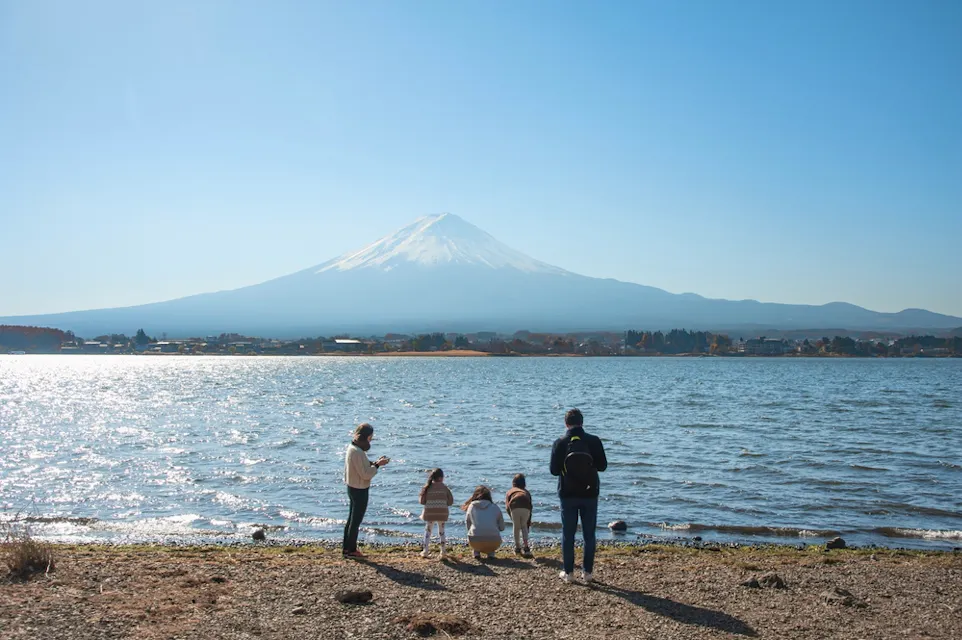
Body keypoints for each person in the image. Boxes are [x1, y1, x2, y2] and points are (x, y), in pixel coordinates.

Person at [549, 408, 607, 583]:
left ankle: (569, 573)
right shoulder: (594, 441)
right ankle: (587, 573)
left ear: (566, 423)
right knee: (589, 534)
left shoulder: (560, 442)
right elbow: (603, 466)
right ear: (582, 422)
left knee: (568, 534)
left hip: (568, 494)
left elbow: (553, 471)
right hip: (590, 493)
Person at [342, 423, 389, 558]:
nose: (371, 440)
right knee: (355, 521)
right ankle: (351, 550)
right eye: (370, 437)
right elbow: (365, 474)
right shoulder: (357, 452)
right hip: (359, 488)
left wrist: (374, 463)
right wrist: (378, 466)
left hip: (352, 486)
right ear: (366, 436)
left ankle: (347, 548)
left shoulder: (353, 448)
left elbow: (362, 467)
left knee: (351, 519)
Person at [418, 468, 454, 559]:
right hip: (442, 513)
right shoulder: (445, 488)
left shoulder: (427, 487)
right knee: (441, 532)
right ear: (441, 478)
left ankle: (425, 551)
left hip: (430, 513)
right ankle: (443, 552)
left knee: (428, 531)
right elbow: (450, 502)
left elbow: (422, 501)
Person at [462, 485, 505, 560]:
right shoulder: (495, 507)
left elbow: (468, 523)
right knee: (492, 539)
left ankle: (476, 552)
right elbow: (502, 528)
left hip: (475, 542)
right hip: (494, 542)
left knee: (474, 532)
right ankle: (491, 553)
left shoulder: (471, 506)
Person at [505, 473, 533, 556]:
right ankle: (526, 547)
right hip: (526, 506)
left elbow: (507, 506)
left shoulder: (510, 491)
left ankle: (517, 548)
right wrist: (529, 522)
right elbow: (530, 507)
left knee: (516, 527)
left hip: (514, 505)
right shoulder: (526, 492)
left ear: (513, 482)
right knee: (524, 526)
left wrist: (511, 516)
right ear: (524, 483)